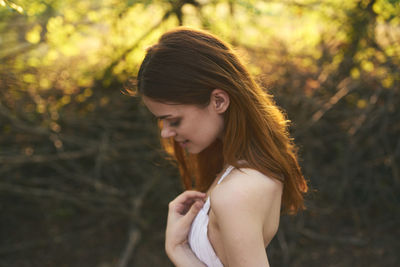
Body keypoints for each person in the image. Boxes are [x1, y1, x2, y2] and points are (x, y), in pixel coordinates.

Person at [133, 27, 308, 267]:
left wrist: (178, 251)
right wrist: (178, 247)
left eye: (174, 120)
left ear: (219, 101)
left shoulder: (236, 193)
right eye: (161, 121)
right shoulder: (242, 169)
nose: (166, 132)